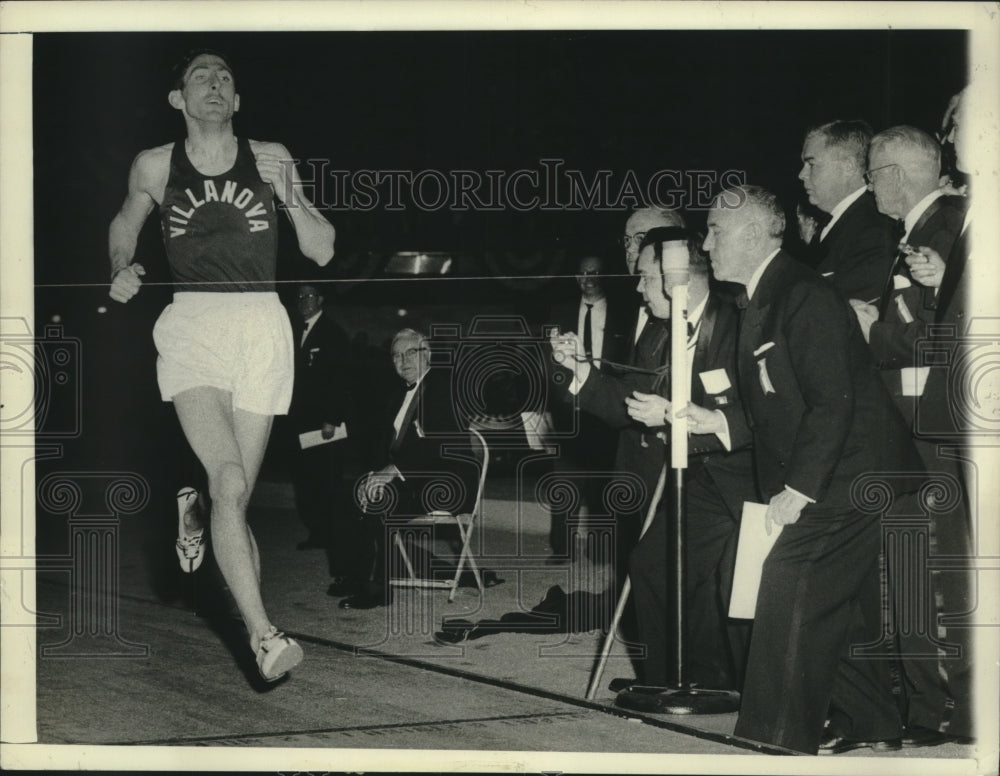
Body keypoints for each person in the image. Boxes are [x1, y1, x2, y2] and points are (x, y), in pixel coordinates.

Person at [108, 49, 335, 682]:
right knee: (230, 481)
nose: (215, 84)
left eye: (226, 78)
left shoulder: (272, 156)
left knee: (230, 498)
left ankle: (199, 510)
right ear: (179, 99)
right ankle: (265, 637)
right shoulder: (155, 165)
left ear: (237, 102)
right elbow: (124, 227)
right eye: (201, 77)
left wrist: (289, 193)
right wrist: (119, 269)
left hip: (262, 325)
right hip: (195, 325)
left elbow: (321, 250)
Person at [692, 185, 922, 754]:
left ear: (750, 234)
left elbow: (831, 401)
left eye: (715, 231)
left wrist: (799, 489)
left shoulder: (801, 294)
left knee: (787, 584)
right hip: (838, 466)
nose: (705, 243)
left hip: (855, 472)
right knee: (822, 599)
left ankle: (775, 742)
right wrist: (712, 422)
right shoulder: (762, 296)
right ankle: (873, 723)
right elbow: (779, 405)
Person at [617, 229, 755, 691]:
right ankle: (667, 685)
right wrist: (578, 374)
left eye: (645, 278)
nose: (638, 290)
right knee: (652, 565)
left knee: (732, 588)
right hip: (698, 476)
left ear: (677, 277)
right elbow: (634, 400)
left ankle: (725, 682)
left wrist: (674, 417)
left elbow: (762, 411)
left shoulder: (737, 321)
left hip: (749, 475)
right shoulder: (662, 332)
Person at [882, 91, 976, 746]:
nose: (953, 134)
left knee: (941, 571)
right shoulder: (955, 222)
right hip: (936, 424)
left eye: (961, 122)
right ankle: (941, 706)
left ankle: (945, 707)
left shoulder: (950, 218)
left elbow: (935, 341)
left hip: (937, 428)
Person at [335, 329, 480, 610]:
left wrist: (392, 471)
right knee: (349, 491)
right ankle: (355, 575)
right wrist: (373, 475)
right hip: (416, 480)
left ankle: (378, 588)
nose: (403, 361)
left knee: (381, 500)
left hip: (449, 483)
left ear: (427, 353)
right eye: (396, 356)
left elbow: (440, 444)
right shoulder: (397, 395)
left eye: (410, 353)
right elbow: (386, 447)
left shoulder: (443, 386)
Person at [544, 255, 631, 563]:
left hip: (607, 404)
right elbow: (545, 365)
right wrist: (543, 407)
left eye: (594, 272)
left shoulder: (625, 313)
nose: (588, 278)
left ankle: (600, 549)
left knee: (604, 479)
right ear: (575, 277)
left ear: (603, 275)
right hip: (569, 408)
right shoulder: (560, 312)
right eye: (582, 273)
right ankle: (561, 548)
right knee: (565, 478)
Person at [288, 284, 354, 571]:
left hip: (324, 425)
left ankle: (331, 534)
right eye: (301, 297)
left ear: (321, 300)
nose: (304, 302)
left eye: (310, 297)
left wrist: (332, 417)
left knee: (326, 479)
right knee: (305, 479)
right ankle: (317, 531)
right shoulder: (295, 331)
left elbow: (341, 379)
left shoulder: (332, 333)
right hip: (300, 422)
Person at [797, 119, 896, 300]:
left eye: (811, 164)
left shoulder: (873, 232)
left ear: (848, 166)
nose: (801, 174)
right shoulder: (842, 224)